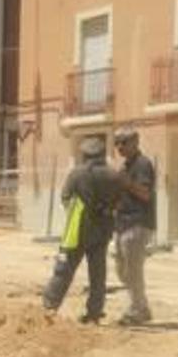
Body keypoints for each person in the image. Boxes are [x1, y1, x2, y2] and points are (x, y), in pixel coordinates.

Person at [43, 137, 122, 323]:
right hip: (102, 231)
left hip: (77, 230)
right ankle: (94, 314)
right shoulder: (114, 175)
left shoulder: (77, 174)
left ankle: (50, 306)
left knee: (64, 269)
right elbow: (119, 201)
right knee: (98, 274)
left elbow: (65, 198)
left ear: (85, 155)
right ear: (102, 155)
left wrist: (78, 211)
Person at [113, 126, 156, 326]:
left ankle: (137, 309)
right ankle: (142, 307)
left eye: (124, 142)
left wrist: (127, 183)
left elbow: (145, 194)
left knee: (133, 271)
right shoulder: (125, 167)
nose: (119, 146)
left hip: (138, 224)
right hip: (122, 225)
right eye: (117, 143)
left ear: (135, 142)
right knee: (122, 271)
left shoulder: (143, 164)